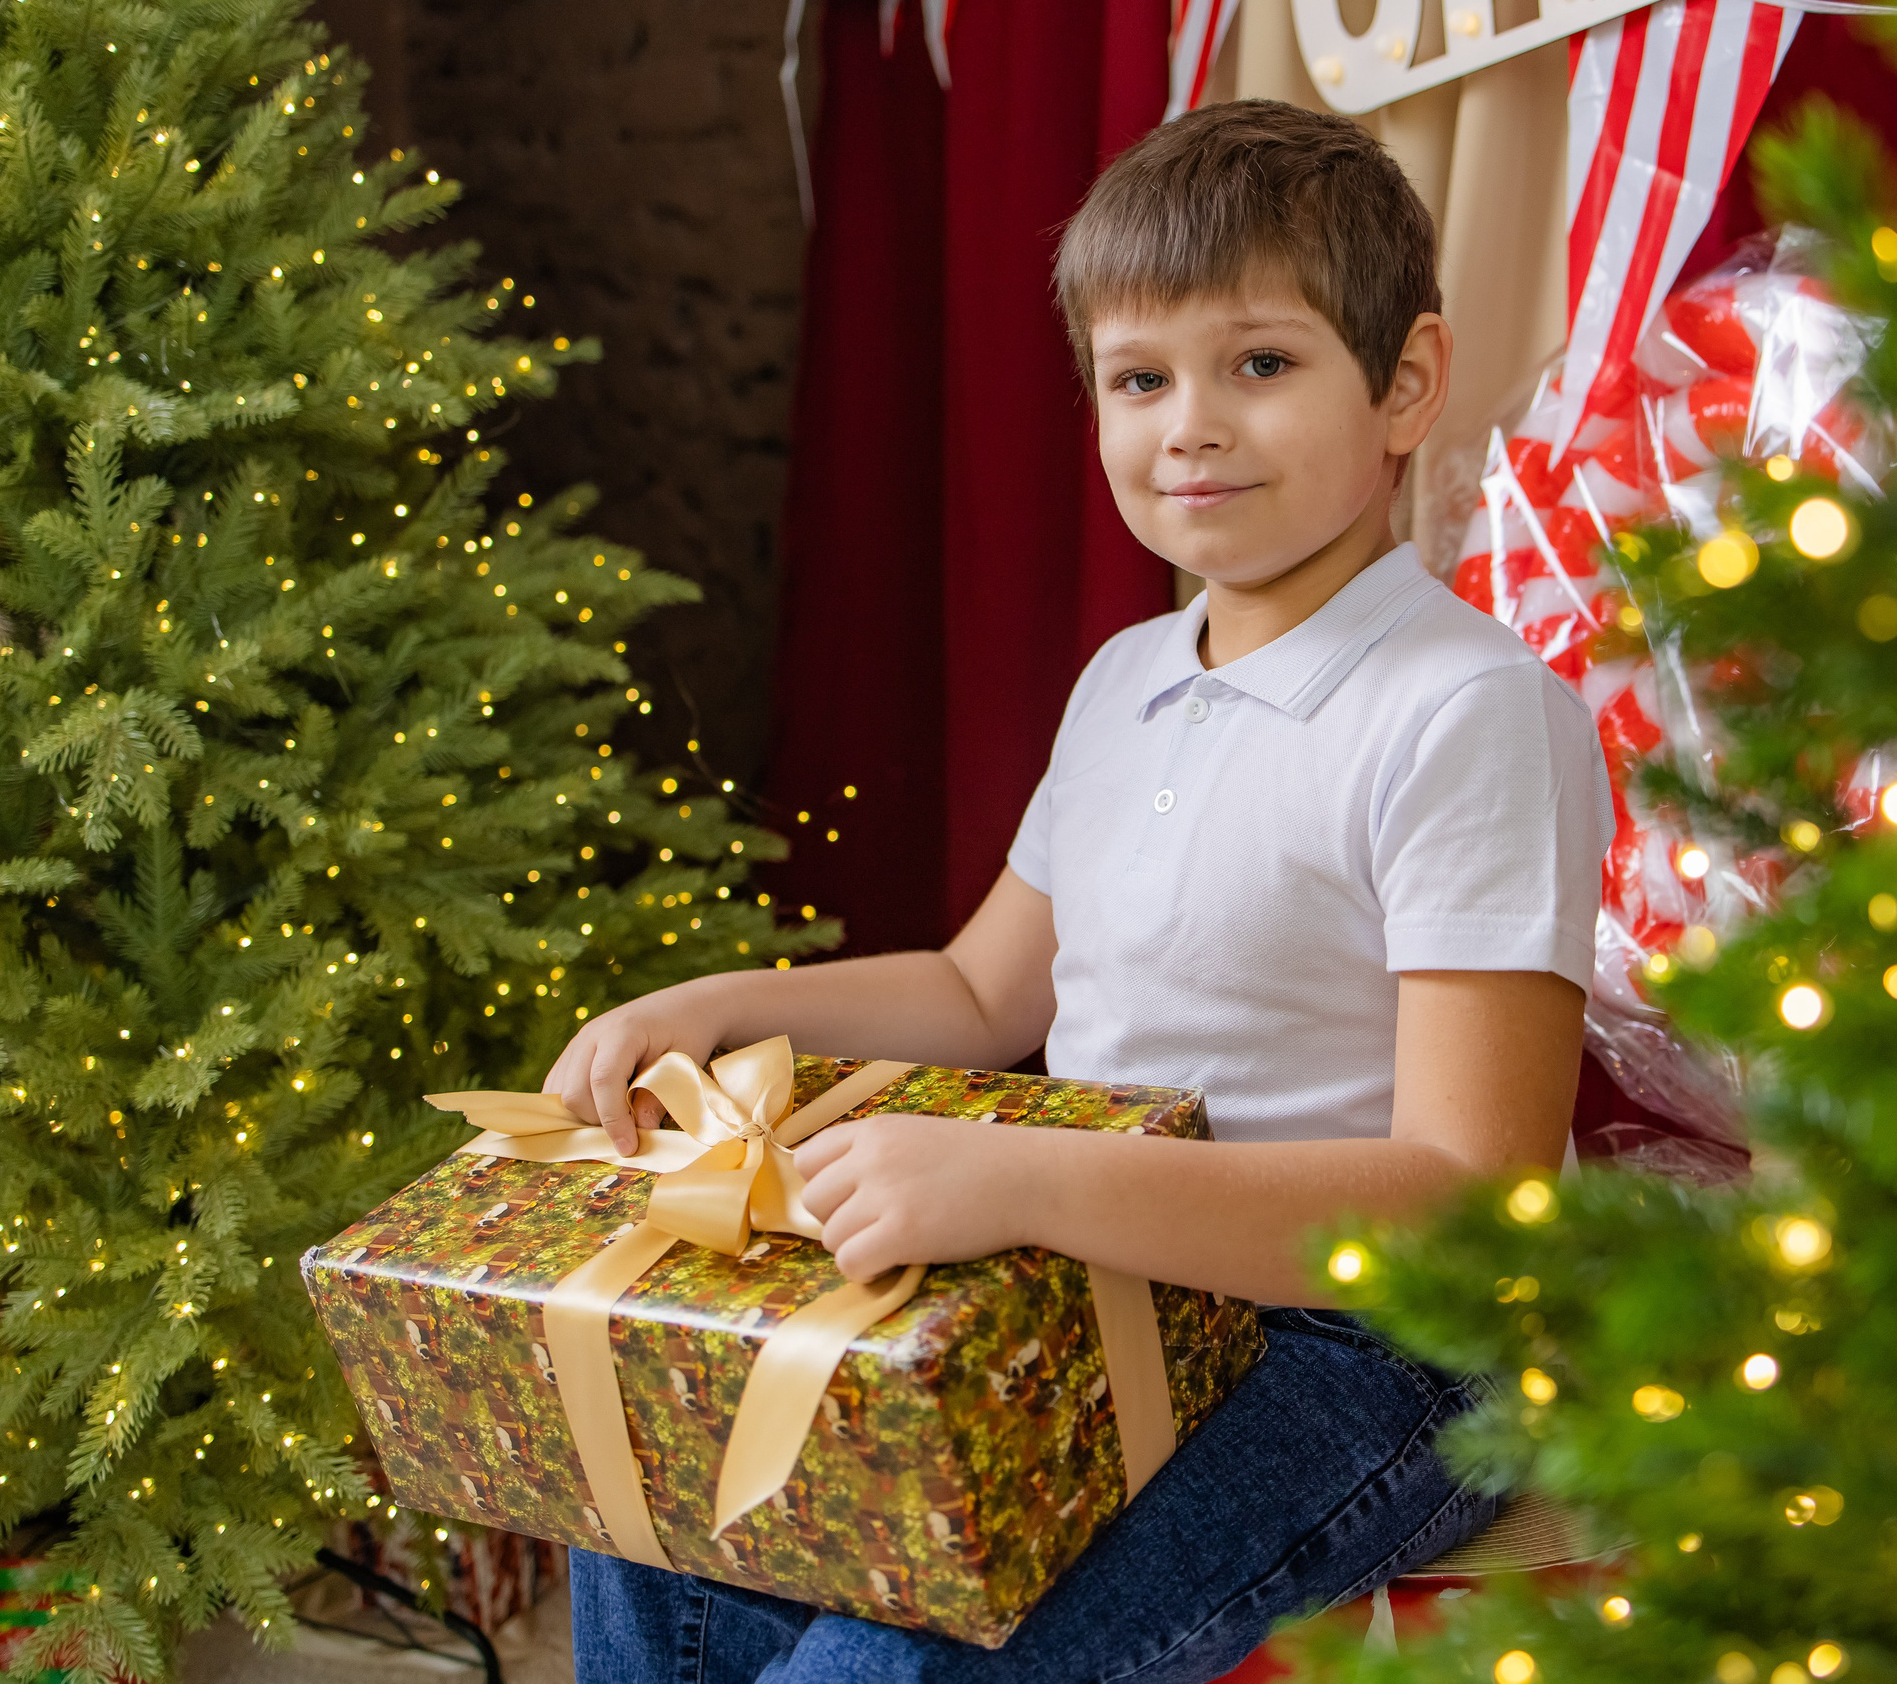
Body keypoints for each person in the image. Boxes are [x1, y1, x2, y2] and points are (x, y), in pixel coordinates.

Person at [556, 98, 1610, 1683]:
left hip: (1363, 1352)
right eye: (1140, 379)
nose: (1189, 425)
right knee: (652, 1507)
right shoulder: (1127, 680)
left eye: (1259, 364)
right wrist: (710, 1003)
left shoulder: (1465, 711)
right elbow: (987, 996)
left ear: (1406, 385)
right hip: (1112, 1277)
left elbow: (1470, 1197)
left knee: (897, 1660)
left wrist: (1025, 1185)